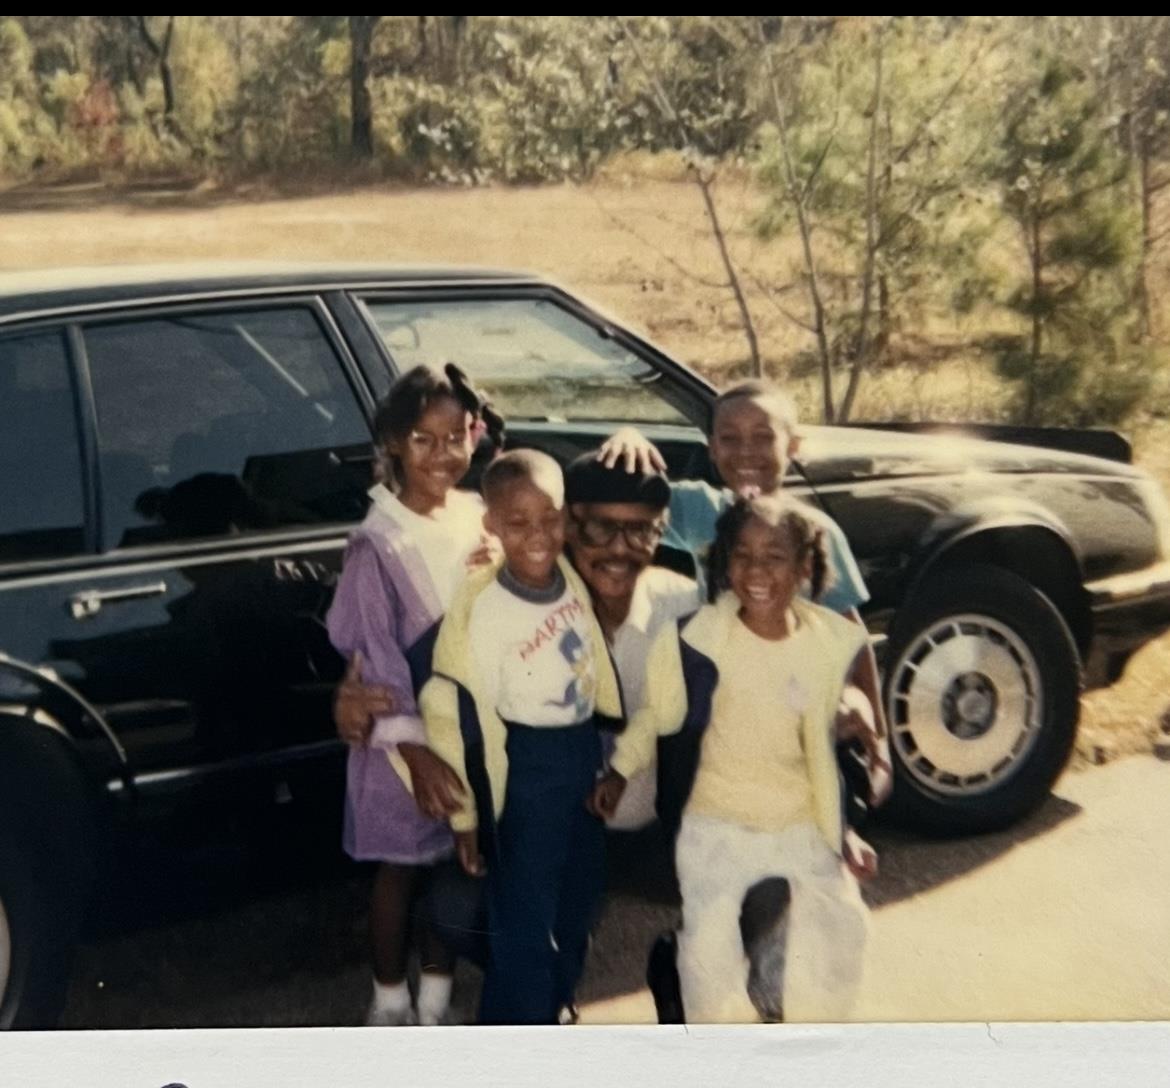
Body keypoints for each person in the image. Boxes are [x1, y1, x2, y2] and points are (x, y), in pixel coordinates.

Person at [592, 493, 878, 1023]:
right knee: (709, 955)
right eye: (742, 555)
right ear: (724, 564)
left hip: (797, 823)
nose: (756, 570)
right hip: (715, 825)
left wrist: (845, 831)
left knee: (842, 929)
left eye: (775, 556)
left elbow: (827, 757)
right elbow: (655, 716)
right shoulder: (695, 642)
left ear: (804, 567)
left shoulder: (823, 645)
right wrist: (618, 770)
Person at [600, 379, 891, 809]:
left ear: (793, 445)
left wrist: (880, 740)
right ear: (712, 448)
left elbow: (852, 636)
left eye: (763, 437)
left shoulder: (815, 531)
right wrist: (627, 439)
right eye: (730, 439)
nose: (745, 452)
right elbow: (624, 494)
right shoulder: (700, 510)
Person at [419, 449, 624, 1025]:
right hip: (525, 769)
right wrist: (467, 820)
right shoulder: (485, 609)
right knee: (524, 920)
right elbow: (457, 717)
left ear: (568, 514)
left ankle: (554, 1004)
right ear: (491, 525)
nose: (538, 534)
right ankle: (515, 1038)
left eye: (550, 518)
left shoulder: (571, 581)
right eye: (518, 522)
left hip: (580, 755)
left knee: (580, 899)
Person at [325, 362, 503, 1027]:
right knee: (401, 870)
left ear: (475, 434)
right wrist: (418, 753)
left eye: (455, 436)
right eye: (422, 440)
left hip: (467, 729)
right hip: (400, 744)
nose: (441, 454)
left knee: (456, 867)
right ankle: (388, 1000)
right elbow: (376, 661)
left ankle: (436, 1000)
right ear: (394, 443)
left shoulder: (481, 517)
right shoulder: (379, 542)